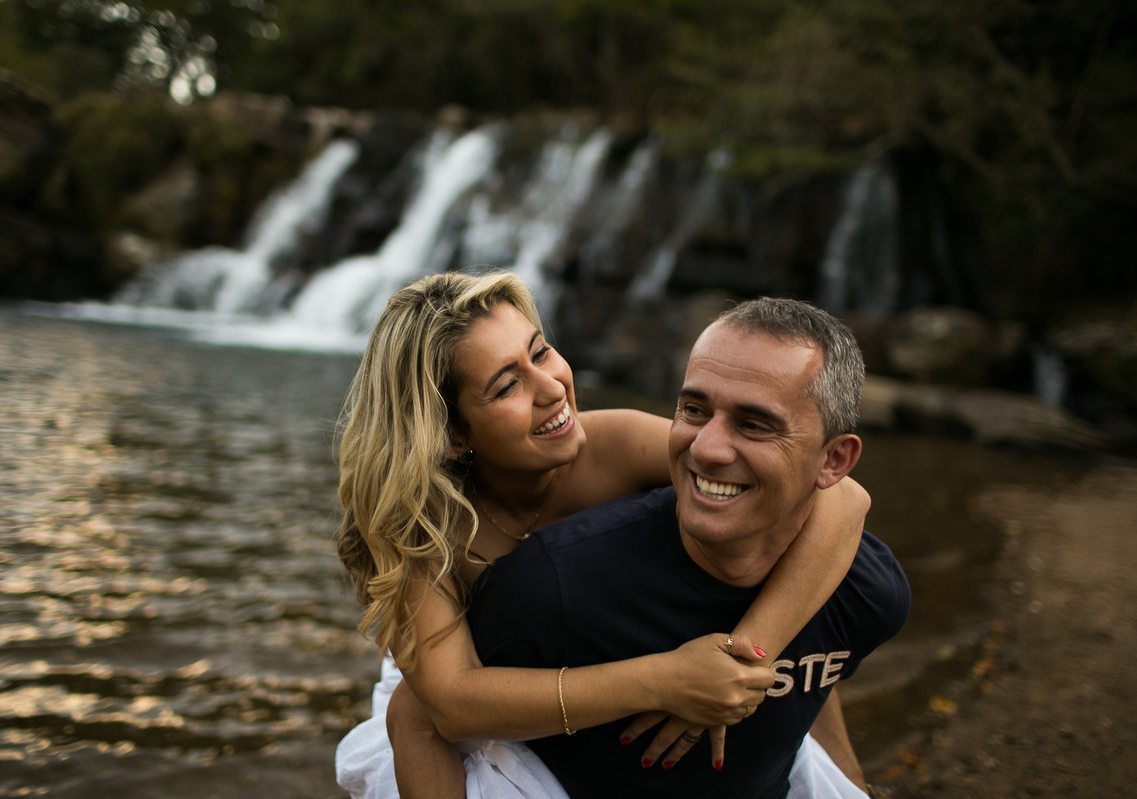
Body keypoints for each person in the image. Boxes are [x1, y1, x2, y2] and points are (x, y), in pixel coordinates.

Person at [334, 272, 872, 798]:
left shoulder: (617, 444)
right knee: (413, 711)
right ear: (452, 433)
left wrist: (743, 655)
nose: (552, 388)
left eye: (541, 352)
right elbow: (452, 702)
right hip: (481, 677)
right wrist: (664, 680)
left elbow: (842, 497)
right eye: (507, 386)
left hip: (616, 646)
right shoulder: (414, 520)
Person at [467, 296, 911, 798]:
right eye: (694, 410)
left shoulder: (868, 591)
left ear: (834, 461)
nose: (706, 448)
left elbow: (814, 679)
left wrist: (749, 661)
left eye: (754, 425)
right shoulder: (545, 588)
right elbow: (436, 714)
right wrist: (659, 681)